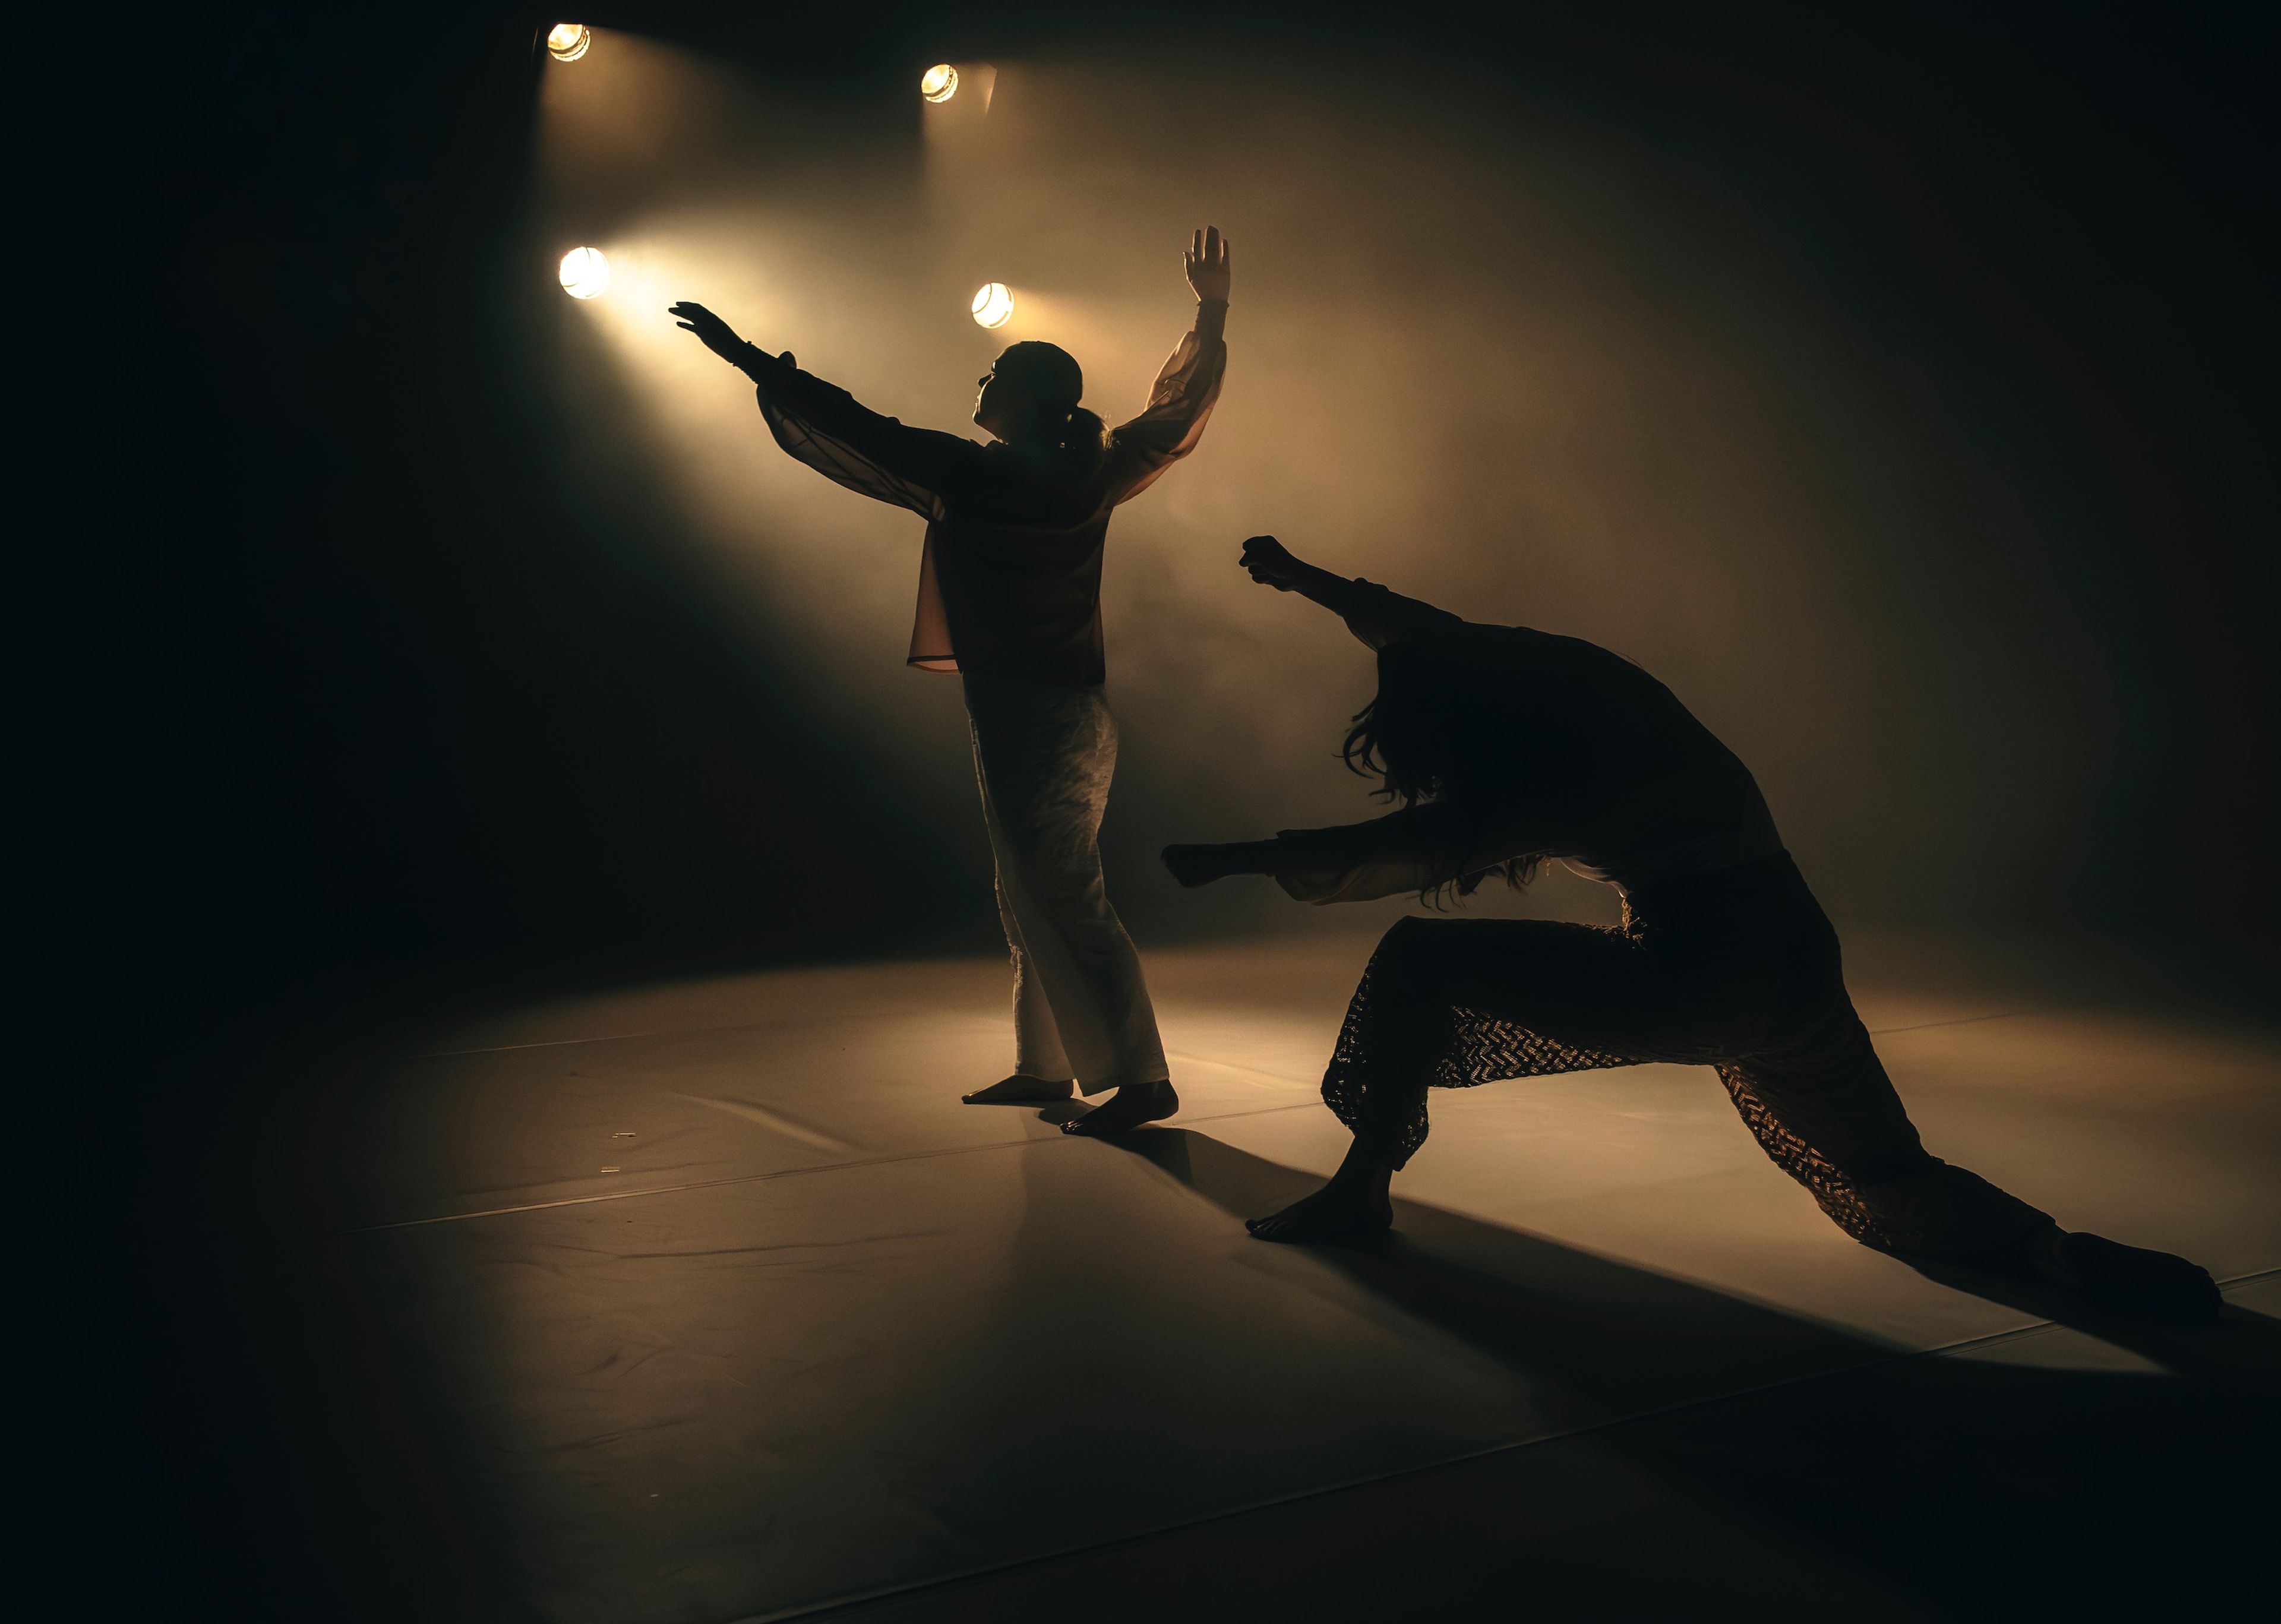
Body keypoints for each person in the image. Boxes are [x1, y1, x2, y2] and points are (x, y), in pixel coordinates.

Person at [1160, 535, 2221, 1321]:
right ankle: (2058, 1255)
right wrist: (1304, 578)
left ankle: (1359, 1191)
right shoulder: (1578, 679)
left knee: (1419, 959)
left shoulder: (1559, 780)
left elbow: (1409, 853)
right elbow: (1424, 629)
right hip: (1798, 954)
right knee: (1885, 1170)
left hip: (1706, 978)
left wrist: (1236, 859)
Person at [668, 229, 1233, 1136]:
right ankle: (1045, 1066)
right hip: (1061, 711)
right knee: (1031, 886)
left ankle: (1143, 1077)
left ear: (1021, 400)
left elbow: (857, 426)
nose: (983, 379)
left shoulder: (977, 475)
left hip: (1039, 713)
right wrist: (1209, 311)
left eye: (997, 370)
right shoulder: (1091, 470)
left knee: (1060, 890)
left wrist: (741, 355)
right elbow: (1177, 406)